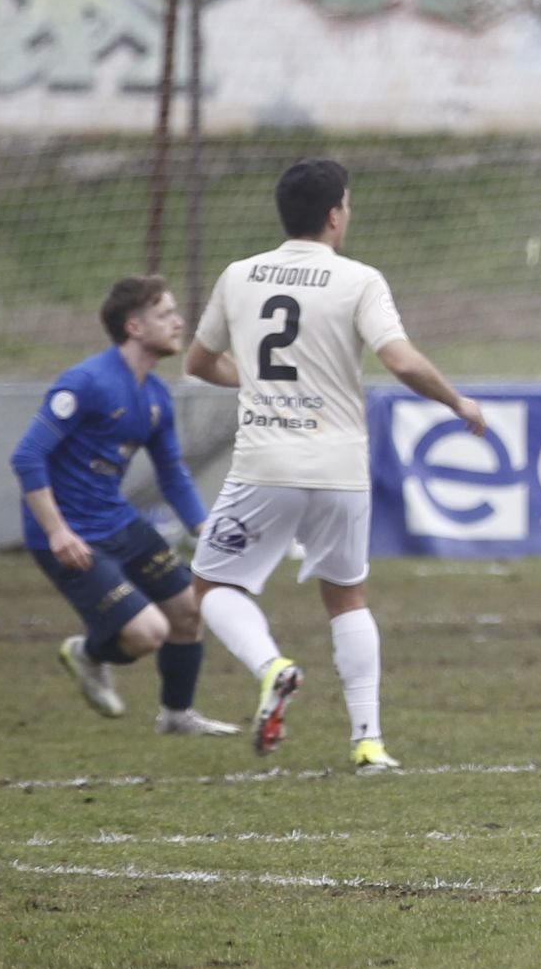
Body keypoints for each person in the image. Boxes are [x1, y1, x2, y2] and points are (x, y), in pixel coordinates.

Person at [184, 158, 485, 772]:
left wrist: (262, 387)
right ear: (332, 215)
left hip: (264, 464)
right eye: (347, 205)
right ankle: (369, 740)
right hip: (340, 467)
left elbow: (198, 361)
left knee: (212, 586)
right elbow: (400, 361)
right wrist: (456, 400)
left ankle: (272, 666)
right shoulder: (358, 280)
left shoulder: (238, 276)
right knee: (347, 597)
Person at [10, 275, 238, 736]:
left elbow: (172, 473)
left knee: (189, 610)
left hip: (118, 522)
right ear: (134, 327)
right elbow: (27, 455)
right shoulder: (87, 381)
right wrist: (56, 531)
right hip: (71, 536)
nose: (178, 322)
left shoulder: (155, 396)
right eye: (164, 314)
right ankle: (87, 655)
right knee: (146, 633)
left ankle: (176, 716)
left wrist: (203, 527)